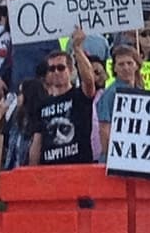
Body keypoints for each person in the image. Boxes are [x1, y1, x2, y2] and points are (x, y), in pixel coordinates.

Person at [27, 28, 97, 165]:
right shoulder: (41, 104)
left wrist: (77, 49)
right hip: (50, 173)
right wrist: (32, 174)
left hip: (79, 169)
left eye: (61, 67)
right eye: (52, 69)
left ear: (70, 71)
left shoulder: (79, 96)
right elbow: (37, 141)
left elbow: (89, 80)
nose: (56, 72)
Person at [96, 45, 144, 160]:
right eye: (121, 64)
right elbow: (104, 129)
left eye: (129, 63)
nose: (126, 68)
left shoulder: (140, 89)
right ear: (115, 68)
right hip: (116, 157)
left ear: (137, 65)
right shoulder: (110, 94)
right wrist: (110, 157)